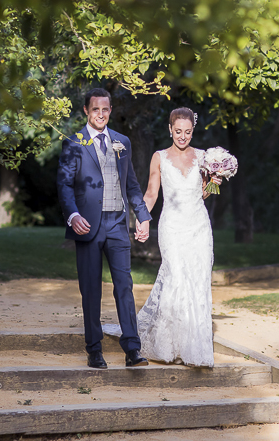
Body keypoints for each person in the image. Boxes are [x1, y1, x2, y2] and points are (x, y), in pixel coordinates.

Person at [57, 88, 152, 369]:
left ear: (111, 110)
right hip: (88, 225)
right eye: (96, 109)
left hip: (117, 224)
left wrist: (143, 216)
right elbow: (64, 184)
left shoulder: (122, 142)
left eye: (106, 109)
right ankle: (94, 349)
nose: (101, 114)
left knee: (124, 285)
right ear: (86, 111)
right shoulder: (73, 143)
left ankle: (132, 348)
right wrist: (73, 215)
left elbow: (131, 184)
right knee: (90, 288)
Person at [135, 107, 218, 367]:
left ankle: (193, 348)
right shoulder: (159, 157)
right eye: (178, 131)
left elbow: (204, 193)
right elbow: (151, 193)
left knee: (198, 281)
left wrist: (214, 181)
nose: (183, 136)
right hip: (171, 227)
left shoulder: (204, 157)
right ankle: (169, 345)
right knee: (176, 277)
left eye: (188, 132)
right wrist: (142, 218)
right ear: (170, 129)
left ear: (193, 130)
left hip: (198, 227)